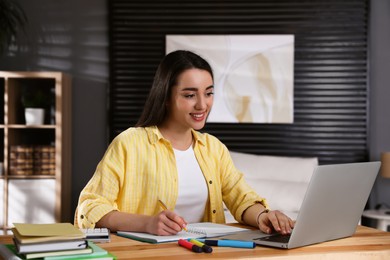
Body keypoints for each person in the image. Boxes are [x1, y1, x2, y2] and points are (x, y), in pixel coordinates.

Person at [75, 50, 294, 236]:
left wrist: (264, 216)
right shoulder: (129, 144)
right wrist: (147, 223)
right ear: (166, 97)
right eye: (190, 95)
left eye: (208, 93)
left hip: (203, 253)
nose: (202, 105)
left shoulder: (213, 148)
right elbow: (89, 207)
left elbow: (241, 198)